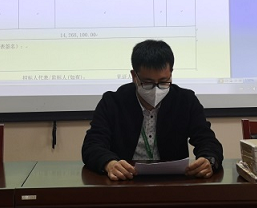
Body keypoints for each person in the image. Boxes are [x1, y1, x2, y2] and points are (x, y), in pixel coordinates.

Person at [82, 39, 224, 180]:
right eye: (148, 82)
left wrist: (208, 160)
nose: (156, 90)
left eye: (163, 82)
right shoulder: (113, 102)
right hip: (125, 180)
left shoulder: (186, 100)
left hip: (173, 182)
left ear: (171, 74)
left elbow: (208, 141)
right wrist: (109, 163)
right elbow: (92, 145)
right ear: (134, 76)